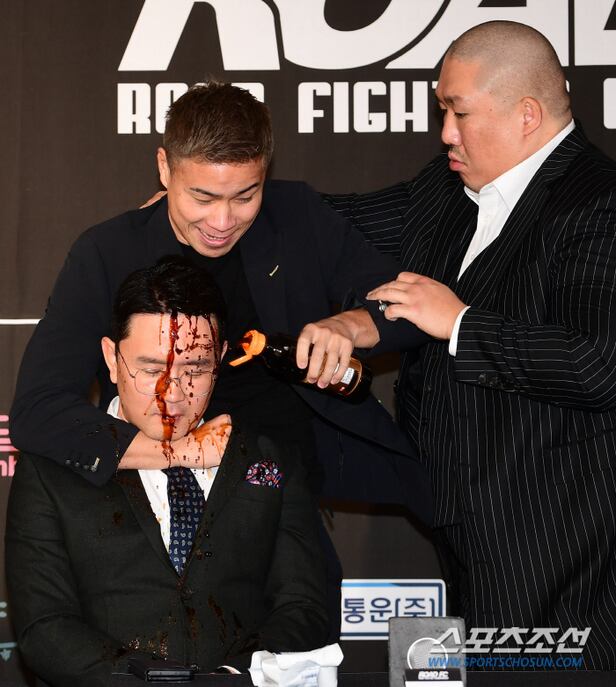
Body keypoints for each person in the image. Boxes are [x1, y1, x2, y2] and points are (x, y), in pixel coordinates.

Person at [9, 82, 432, 639]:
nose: (223, 220)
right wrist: (184, 453)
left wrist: (349, 325)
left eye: (245, 196)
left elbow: (410, 308)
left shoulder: (296, 216)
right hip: (148, 506)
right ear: (165, 168)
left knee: (301, 648)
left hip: (278, 495)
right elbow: (38, 410)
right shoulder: (108, 252)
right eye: (202, 198)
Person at [325, 20, 616, 669]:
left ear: (526, 115)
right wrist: (238, 208)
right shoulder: (448, 186)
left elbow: (598, 362)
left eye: (458, 112)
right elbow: (346, 222)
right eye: (442, 112)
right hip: (459, 532)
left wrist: (458, 322)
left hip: (562, 554)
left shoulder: (599, 203)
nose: (445, 133)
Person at [6, 256, 330, 687]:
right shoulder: (51, 469)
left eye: (194, 369)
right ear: (111, 357)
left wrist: (229, 679)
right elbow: (45, 627)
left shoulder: (267, 459)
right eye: (151, 369)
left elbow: (305, 606)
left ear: (221, 358)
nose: (171, 393)